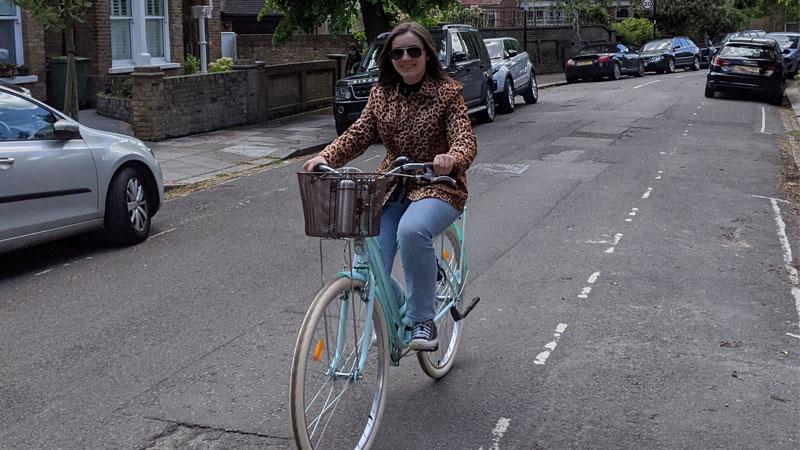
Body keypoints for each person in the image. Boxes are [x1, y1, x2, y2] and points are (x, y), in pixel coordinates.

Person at [303, 22, 477, 351]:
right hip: (391, 186)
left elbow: (464, 138)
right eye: (398, 53)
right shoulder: (381, 95)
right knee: (368, 266)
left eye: (414, 51)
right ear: (389, 58)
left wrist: (451, 158)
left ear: (428, 54)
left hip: (438, 184)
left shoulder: (448, 93)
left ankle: (423, 319)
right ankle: (401, 310)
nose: (406, 58)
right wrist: (324, 157)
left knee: (412, 231)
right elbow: (358, 134)